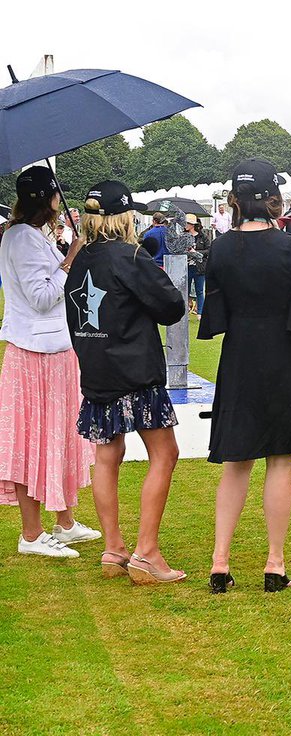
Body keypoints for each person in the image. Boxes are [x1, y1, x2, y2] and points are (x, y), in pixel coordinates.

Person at [199, 159, 291, 594]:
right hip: (285, 357)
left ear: (235, 201)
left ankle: (220, 563)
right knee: (280, 459)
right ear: (273, 198)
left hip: (239, 357)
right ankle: (274, 564)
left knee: (236, 463)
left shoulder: (219, 249)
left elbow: (214, 315)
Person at [68, 181, 188, 583]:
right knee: (164, 453)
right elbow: (171, 307)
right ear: (124, 216)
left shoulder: (80, 259)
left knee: (107, 456)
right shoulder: (131, 256)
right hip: (135, 370)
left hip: (97, 368)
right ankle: (146, 552)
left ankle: (113, 547)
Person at [0, 166, 98, 559]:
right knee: (34, 438)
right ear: (47, 198)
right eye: (56, 193)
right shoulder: (21, 238)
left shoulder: (29, 235)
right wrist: (70, 260)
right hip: (35, 353)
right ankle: (31, 533)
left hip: (53, 351)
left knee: (58, 435)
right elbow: (41, 297)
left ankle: (66, 521)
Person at [182, 213, 210, 315]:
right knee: (185, 291)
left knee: (200, 291)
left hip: (199, 267)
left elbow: (209, 250)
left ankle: (200, 313)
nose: (185, 225)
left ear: (192, 224)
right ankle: (185, 312)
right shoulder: (183, 236)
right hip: (186, 267)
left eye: (187, 223)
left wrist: (196, 252)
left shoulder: (203, 236)